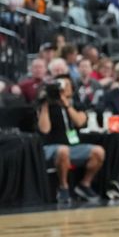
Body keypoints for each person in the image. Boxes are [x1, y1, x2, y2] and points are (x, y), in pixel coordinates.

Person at [36, 76, 105, 205]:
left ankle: (85, 184)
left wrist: (67, 105)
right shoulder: (47, 105)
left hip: (73, 146)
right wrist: (45, 106)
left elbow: (80, 122)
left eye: (65, 86)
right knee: (63, 150)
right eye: (59, 86)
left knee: (98, 151)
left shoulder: (76, 104)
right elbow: (44, 130)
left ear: (71, 89)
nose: (62, 89)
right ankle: (63, 187)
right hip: (51, 147)